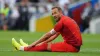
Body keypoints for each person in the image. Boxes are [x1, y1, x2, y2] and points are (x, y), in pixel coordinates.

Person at [12, 6, 82, 52]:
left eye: (55, 13)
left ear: (60, 12)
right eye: (52, 14)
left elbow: (47, 35)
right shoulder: (65, 20)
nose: (54, 15)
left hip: (72, 47)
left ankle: (22, 48)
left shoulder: (61, 22)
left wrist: (33, 44)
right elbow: (53, 37)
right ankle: (27, 46)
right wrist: (38, 44)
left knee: (45, 46)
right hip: (72, 45)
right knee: (45, 44)